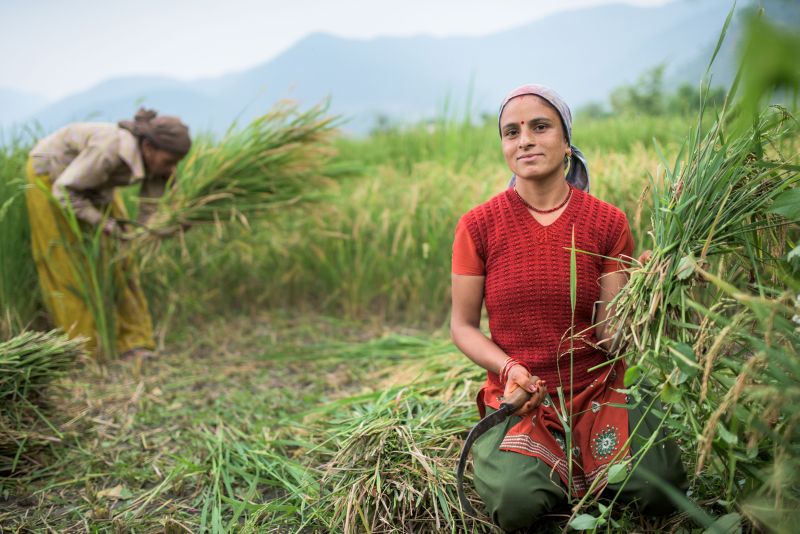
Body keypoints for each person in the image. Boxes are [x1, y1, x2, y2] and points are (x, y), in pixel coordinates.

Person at [450, 84, 685, 532]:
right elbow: (462, 326)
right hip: (522, 395)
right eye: (511, 131)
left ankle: (579, 471)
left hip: (597, 388)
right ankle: (558, 474)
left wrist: (650, 288)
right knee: (517, 503)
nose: (525, 140)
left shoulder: (607, 221)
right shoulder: (478, 225)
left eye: (540, 127)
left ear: (566, 140)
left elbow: (611, 336)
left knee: (660, 488)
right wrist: (508, 370)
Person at [25, 108, 191, 360]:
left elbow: (147, 215)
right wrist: (105, 224)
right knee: (67, 264)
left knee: (122, 259)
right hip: (51, 178)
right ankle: (83, 352)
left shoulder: (158, 166)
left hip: (96, 186)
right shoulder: (109, 149)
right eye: (169, 161)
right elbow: (65, 191)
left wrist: (163, 228)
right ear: (147, 147)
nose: (172, 168)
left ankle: (134, 343)